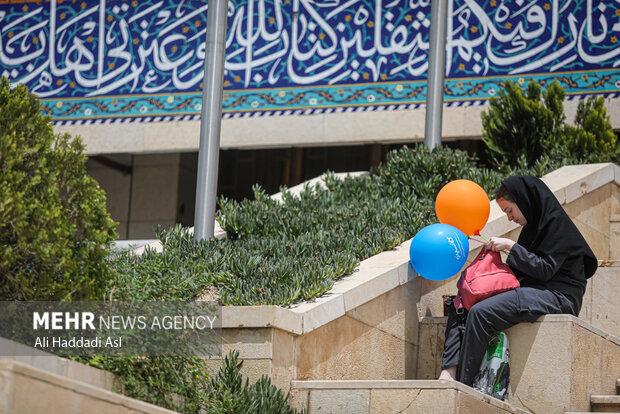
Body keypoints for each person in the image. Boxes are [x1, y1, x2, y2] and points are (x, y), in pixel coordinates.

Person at [438, 175, 598, 386]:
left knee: (481, 313)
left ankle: (463, 385)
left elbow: (544, 269)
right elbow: (519, 271)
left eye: (510, 210)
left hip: (559, 296)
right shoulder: (532, 230)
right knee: (463, 300)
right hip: (531, 290)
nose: (509, 218)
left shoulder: (557, 226)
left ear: (524, 201)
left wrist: (510, 246)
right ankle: (448, 371)